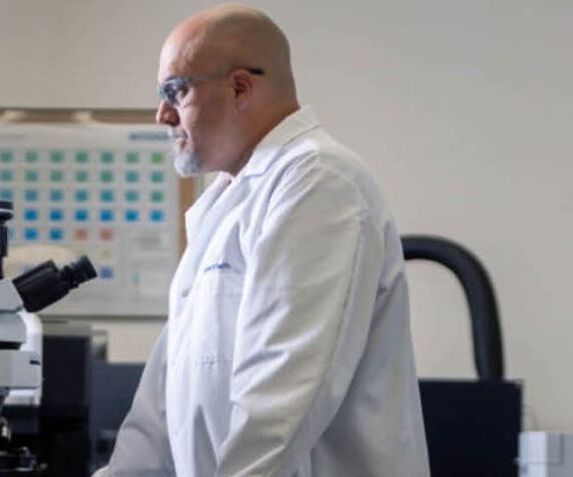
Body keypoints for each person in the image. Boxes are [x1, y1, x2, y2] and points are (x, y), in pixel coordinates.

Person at [96, 4, 430, 477]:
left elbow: (282, 403)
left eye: (176, 90)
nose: (162, 114)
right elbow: (161, 417)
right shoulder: (225, 206)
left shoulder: (318, 182)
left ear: (240, 87)